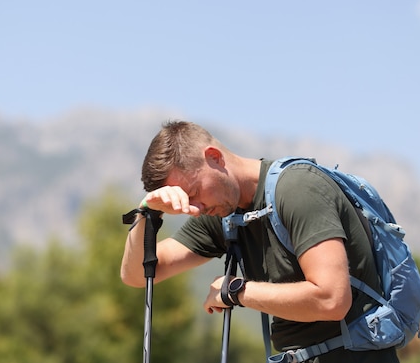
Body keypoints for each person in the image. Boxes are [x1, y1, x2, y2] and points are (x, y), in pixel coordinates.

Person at [120, 120, 400, 363]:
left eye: (193, 193)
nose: (194, 208)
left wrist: (236, 291)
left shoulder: (297, 190)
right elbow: (136, 275)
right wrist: (146, 212)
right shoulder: (223, 213)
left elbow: (332, 299)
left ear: (214, 157)